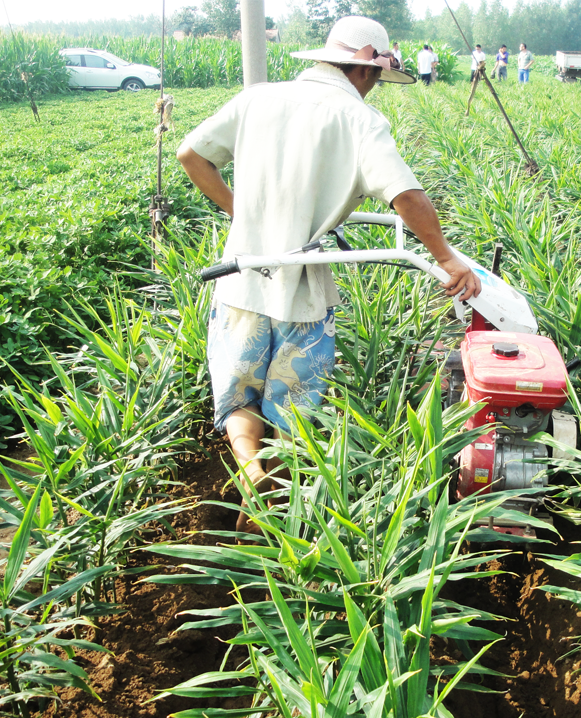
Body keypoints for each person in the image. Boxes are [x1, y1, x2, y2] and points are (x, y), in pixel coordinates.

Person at [176, 16, 481, 532]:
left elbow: (190, 154)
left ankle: (250, 470)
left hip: (241, 280)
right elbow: (405, 195)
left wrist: (241, 214)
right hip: (305, 290)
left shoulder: (256, 98)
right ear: (364, 72)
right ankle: (284, 504)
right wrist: (447, 257)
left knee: (239, 395)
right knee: (293, 408)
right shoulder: (357, 118)